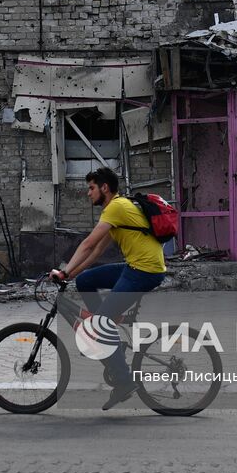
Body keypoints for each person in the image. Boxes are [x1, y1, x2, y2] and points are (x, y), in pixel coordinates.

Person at [50, 166, 166, 409]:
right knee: (86, 281)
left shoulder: (116, 207)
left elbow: (87, 243)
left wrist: (64, 272)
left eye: (91, 188)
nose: (88, 193)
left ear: (105, 188)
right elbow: (95, 252)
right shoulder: (118, 210)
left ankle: (124, 381)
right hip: (136, 266)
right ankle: (107, 333)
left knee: (100, 325)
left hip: (144, 271)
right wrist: (71, 276)